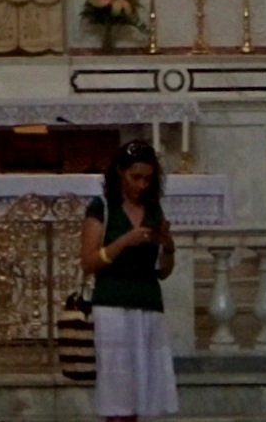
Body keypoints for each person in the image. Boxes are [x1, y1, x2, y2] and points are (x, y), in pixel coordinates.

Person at [83, 137, 179, 418]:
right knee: (118, 388)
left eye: (148, 179)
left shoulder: (153, 210)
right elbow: (88, 262)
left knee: (146, 389)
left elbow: (162, 271)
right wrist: (124, 241)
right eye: (135, 177)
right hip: (113, 303)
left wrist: (169, 245)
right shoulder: (102, 208)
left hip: (148, 302)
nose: (141, 185)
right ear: (119, 172)